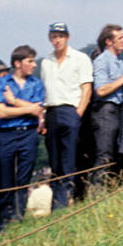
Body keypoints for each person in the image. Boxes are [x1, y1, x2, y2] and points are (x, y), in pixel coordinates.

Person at [39, 22, 93, 211]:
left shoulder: (80, 58)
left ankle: (66, 202)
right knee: (55, 162)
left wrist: (77, 114)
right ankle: (56, 203)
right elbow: (45, 93)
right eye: (54, 36)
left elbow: (86, 88)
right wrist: (43, 118)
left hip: (71, 110)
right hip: (52, 112)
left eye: (60, 36)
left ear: (67, 37)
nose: (57, 40)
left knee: (69, 159)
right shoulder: (46, 62)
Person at [0, 46, 45, 231]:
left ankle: (18, 216)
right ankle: (3, 221)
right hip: (6, 134)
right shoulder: (1, 83)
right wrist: (28, 109)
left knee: (24, 177)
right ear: (17, 63)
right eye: (29, 61)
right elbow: (1, 112)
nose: (33, 65)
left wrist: (13, 102)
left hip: (28, 133)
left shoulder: (36, 83)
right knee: (6, 179)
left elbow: (39, 109)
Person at [90, 24, 123, 187]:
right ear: (109, 41)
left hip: (120, 111)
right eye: (120, 38)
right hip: (105, 112)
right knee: (105, 156)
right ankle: (98, 197)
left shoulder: (119, 62)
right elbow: (101, 90)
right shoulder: (102, 61)